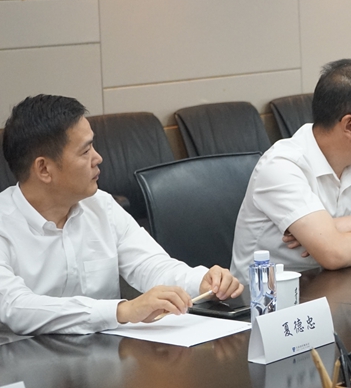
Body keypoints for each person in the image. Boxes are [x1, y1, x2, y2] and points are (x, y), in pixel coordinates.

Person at [0, 95, 243, 336]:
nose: (98, 158)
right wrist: (122, 311)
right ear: (44, 169)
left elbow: (151, 265)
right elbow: (15, 306)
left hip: (106, 351)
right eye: (85, 151)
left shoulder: (101, 205)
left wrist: (202, 281)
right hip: (27, 356)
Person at [230, 59, 351, 274]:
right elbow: (334, 254)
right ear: (349, 125)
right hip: (272, 294)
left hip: (339, 285)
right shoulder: (282, 166)